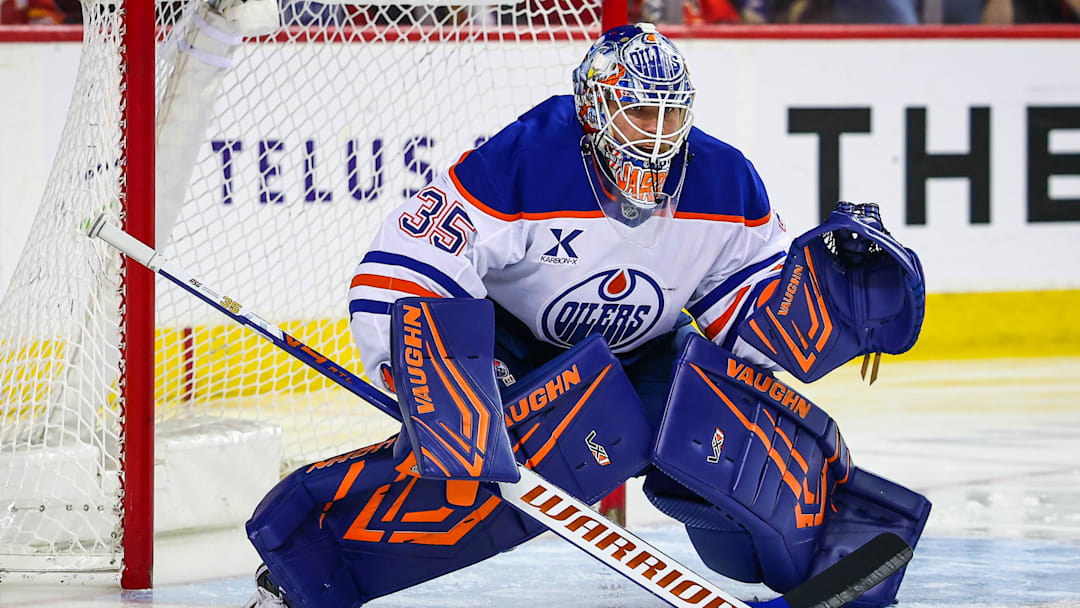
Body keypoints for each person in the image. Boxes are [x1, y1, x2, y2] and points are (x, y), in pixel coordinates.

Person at [244, 23, 929, 608]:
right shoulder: (526, 160)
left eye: (669, 115)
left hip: (650, 350)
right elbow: (405, 264)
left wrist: (817, 304)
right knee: (497, 460)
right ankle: (305, 563)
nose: (656, 135)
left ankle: (830, 566)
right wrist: (430, 378)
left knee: (731, 422)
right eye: (638, 113)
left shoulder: (725, 180)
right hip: (517, 345)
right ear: (595, 109)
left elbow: (746, 321)